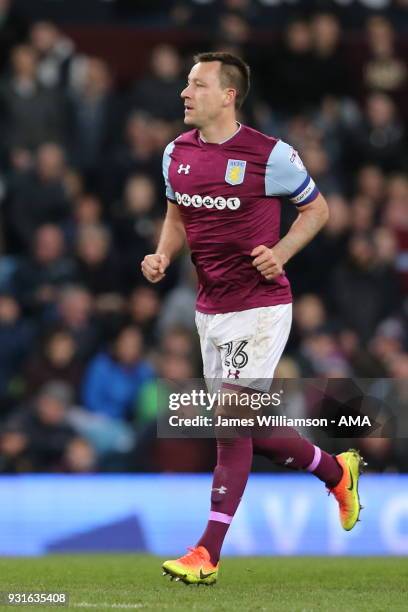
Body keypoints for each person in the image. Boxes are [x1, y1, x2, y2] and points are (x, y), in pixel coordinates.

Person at [141, 51, 365, 586]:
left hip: (260, 307)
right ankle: (337, 472)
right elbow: (177, 213)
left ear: (228, 95)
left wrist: (282, 252)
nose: (184, 93)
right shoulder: (177, 153)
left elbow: (319, 210)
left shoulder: (271, 155)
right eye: (186, 84)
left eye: (196, 85)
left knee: (230, 426)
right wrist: (163, 254)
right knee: (252, 428)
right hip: (209, 309)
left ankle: (207, 553)